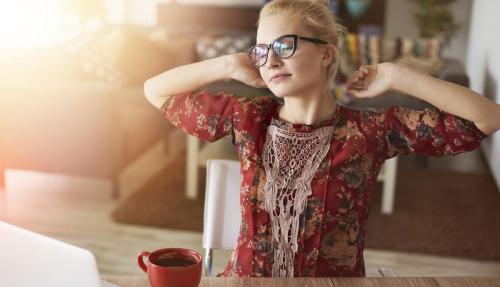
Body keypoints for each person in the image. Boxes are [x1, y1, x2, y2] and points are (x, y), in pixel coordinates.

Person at [144, 0, 500, 278]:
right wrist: (226, 65)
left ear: (326, 53)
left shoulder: (368, 132)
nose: (270, 61)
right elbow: (155, 91)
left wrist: (396, 76)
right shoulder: (248, 117)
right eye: (262, 51)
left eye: (284, 46)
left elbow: (487, 118)